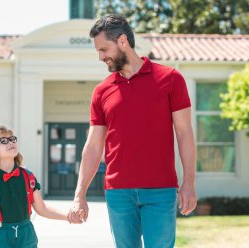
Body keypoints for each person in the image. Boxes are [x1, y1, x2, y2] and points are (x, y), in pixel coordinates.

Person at [68, 14, 197, 248]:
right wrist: (80, 195)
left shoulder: (170, 79)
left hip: (161, 190)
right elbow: (94, 145)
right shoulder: (101, 91)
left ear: (123, 41)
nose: (101, 57)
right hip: (119, 193)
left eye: (104, 49)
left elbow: (184, 133)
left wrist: (189, 181)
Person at [0, 125, 69, 248]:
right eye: (4, 141)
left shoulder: (27, 177)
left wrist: (68, 216)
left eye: (12, 139)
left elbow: (42, 208)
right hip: (0, 237)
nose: (11, 142)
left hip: (26, 234)